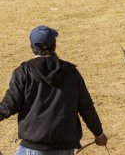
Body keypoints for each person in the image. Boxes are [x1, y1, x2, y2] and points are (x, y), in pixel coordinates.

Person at [0, 25, 108, 153]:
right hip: (65, 148)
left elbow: (10, 104)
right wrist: (99, 133)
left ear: (32, 47)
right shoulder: (71, 72)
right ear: (54, 45)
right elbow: (86, 107)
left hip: (33, 148)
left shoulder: (23, 72)